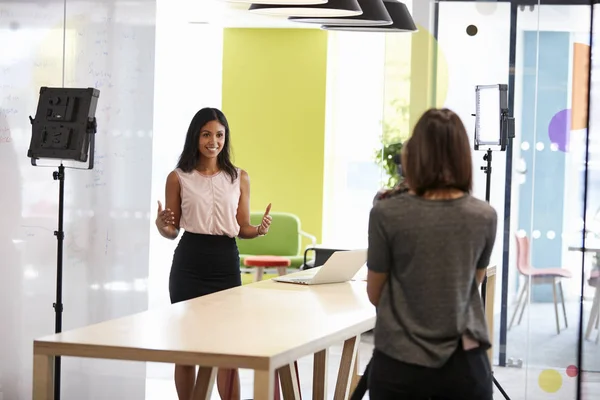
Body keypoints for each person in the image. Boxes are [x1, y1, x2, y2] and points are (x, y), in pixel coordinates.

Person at [366, 108, 497, 400]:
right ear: (464, 156)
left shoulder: (386, 214)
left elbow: (375, 293)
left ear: (414, 153)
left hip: (400, 365)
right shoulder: (485, 216)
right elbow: (469, 284)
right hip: (465, 366)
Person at [155, 107, 272, 400]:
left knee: (227, 352)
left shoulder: (239, 177)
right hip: (188, 265)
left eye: (219, 135)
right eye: (206, 134)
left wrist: (258, 230)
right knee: (186, 349)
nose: (213, 141)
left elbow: (241, 226)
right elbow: (172, 231)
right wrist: (161, 226)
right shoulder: (178, 177)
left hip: (225, 264)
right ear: (196, 136)